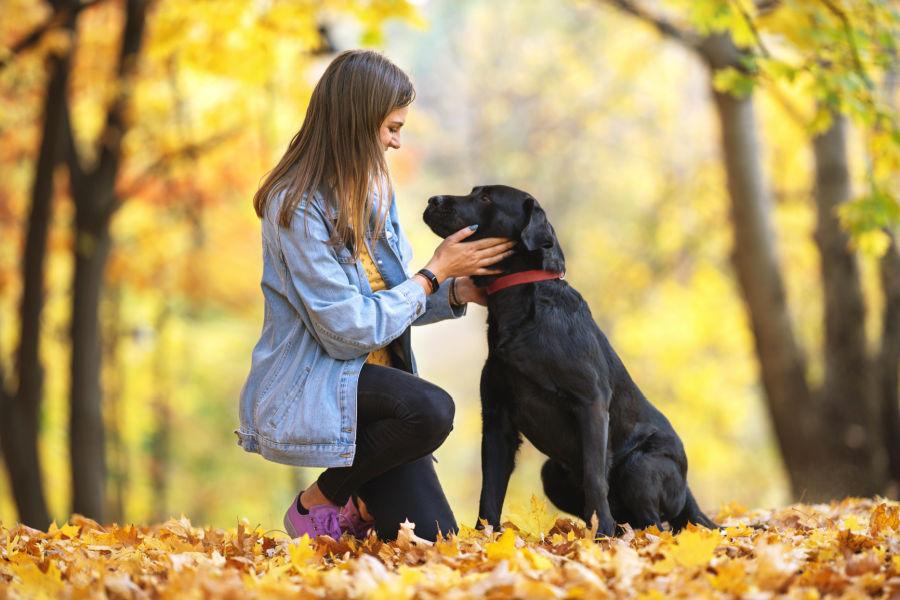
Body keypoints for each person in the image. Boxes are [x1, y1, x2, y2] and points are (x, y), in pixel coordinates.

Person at [234, 49, 515, 541]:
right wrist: (432, 273)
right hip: (321, 386)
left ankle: (357, 499)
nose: (397, 142)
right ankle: (317, 503)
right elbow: (348, 330)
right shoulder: (295, 206)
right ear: (357, 122)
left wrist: (455, 290)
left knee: (435, 548)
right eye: (391, 128)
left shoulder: (374, 193)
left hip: (378, 395)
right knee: (432, 409)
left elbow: (389, 302)